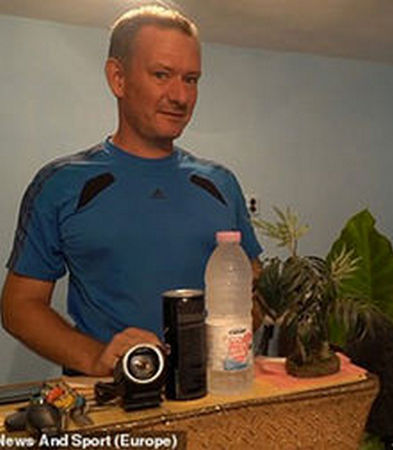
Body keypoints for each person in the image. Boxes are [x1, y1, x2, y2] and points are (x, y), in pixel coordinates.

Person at [1, 6, 262, 377]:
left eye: (191, 79)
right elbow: (19, 306)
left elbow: (254, 289)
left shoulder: (220, 182)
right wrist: (96, 357)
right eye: (161, 75)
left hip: (212, 390)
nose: (181, 96)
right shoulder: (61, 183)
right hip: (113, 397)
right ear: (118, 78)